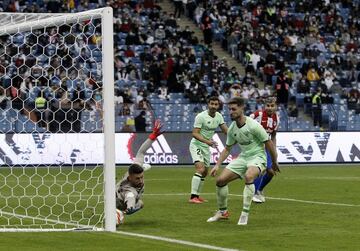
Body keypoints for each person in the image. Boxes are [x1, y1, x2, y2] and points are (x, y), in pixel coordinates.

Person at [207, 97, 279, 225]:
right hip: (243, 157)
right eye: (229, 109)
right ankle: (223, 212)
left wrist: (274, 162)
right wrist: (217, 165)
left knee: (249, 176)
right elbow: (227, 149)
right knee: (220, 181)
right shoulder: (232, 129)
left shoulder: (254, 125)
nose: (231, 112)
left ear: (242, 108)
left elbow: (269, 143)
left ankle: (244, 214)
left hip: (258, 157)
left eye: (234, 109)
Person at [116, 119, 163, 224]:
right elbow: (130, 197)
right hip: (118, 201)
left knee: (141, 203)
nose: (141, 180)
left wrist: (152, 137)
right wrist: (130, 208)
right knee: (133, 201)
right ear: (130, 178)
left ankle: (120, 212)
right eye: (137, 178)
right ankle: (118, 213)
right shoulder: (129, 190)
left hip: (122, 196)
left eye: (141, 177)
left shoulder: (135, 168)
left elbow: (141, 152)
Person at [188, 96, 228, 204]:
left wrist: (236, 135)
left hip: (206, 146)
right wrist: (207, 142)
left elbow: (226, 131)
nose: (213, 106)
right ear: (208, 104)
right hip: (197, 145)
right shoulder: (201, 116)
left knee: (205, 173)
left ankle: (197, 196)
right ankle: (192, 197)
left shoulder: (219, 116)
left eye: (216, 104)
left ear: (218, 106)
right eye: (212, 104)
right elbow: (194, 133)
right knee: (200, 169)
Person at [250, 97, 279, 203]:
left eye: (272, 106)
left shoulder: (277, 118)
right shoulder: (258, 115)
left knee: (271, 172)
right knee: (260, 169)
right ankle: (253, 194)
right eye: (268, 106)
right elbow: (244, 122)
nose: (270, 108)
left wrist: (274, 151)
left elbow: (273, 135)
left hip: (267, 147)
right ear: (264, 106)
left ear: (275, 106)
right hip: (256, 147)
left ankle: (259, 190)